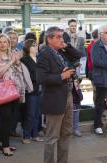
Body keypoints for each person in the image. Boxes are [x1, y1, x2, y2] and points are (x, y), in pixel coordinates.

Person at [37, 26, 75, 163]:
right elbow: (42, 78)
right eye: (58, 37)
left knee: (66, 134)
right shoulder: (44, 54)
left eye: (62, 36)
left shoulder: (60, 52)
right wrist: (62, 76)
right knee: (52, 136)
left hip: (67, 96)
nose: (61, 39)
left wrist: (67, 73)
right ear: (49, 39)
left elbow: (77, 55)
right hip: (54, 99)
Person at [0, 34, 24, 156]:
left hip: (13, 91)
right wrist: (12, 61)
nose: (2, 44)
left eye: (5, 42)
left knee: (10, 118)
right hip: (1, 92)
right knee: (6, 118)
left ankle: (2, 143)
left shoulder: (12, 55)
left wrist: (17, 62)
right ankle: (5, 146)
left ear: (8, 44)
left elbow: (19, 71)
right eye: (0, 42)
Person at [21, 39, 43, 144]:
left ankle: (35, 134)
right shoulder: (25, 60)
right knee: (30, 114)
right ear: (28, 47)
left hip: (40, 89)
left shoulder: (39, 58)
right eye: (33, 45)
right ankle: (26, 136)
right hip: (30, 90)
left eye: (36, 45)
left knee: (37, 113)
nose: (36, 47)